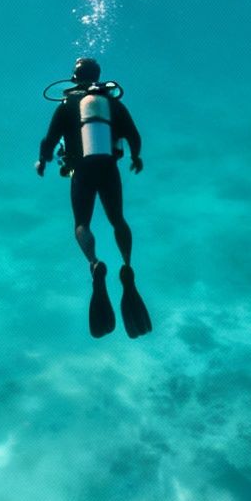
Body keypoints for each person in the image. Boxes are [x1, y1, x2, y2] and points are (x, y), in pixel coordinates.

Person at [37, 58, 152, 339]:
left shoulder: (66, 106)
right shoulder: (112, 103)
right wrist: (136, 157)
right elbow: (134, 136)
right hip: (108, 168)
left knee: (81, 224)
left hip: (82, 171)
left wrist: (43, 161)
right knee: (118, 220)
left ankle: (95, 264)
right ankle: (127, 265)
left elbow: (49, 140)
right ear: (97, 76)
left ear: (74, 78)